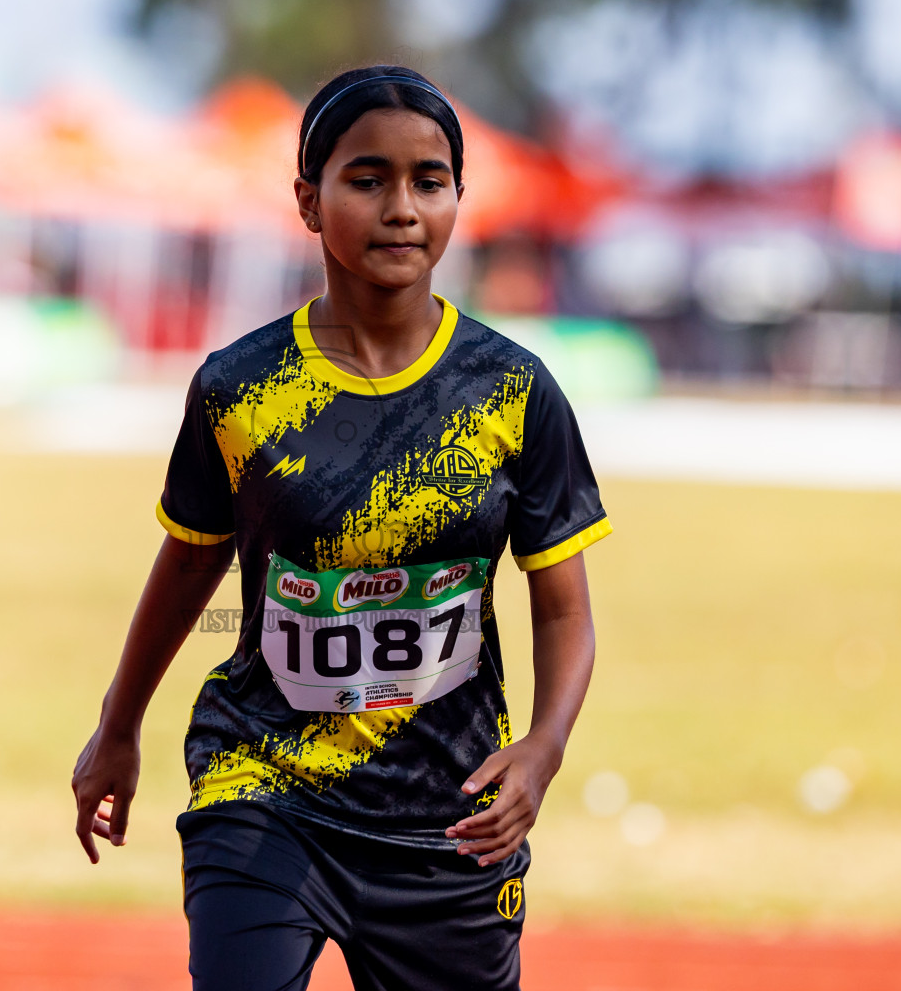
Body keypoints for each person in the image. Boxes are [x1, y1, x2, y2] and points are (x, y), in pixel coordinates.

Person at [71, 65, 610, 991]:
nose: (401, 208)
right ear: (309, 201)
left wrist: (544, 746)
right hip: (263, 788)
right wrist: (118, 727)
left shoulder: (514, 392)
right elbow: (188, 566)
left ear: (457, 199)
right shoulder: (239, 387)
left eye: (429, 181)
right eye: (367, 179)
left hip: (447, 818)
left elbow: (563, 610)